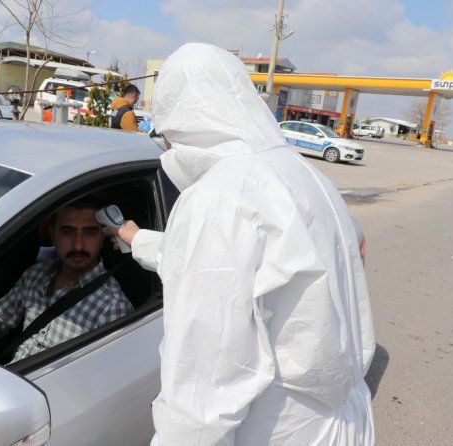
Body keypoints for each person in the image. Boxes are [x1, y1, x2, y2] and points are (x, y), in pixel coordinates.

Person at [107, 43, 376, 445]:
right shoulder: (305, 177)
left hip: (280, 429)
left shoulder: (220, 198)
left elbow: (203, 392)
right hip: (345, 423)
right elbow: (243, 268)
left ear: (181, 115)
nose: (165, 144)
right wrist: (136, 239)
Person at [0, 197, 134, 363]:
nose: (78, 245)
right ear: (52, 235)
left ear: (102, 238)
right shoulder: (36, 275)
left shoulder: (112, 307)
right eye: (67, 231)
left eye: (89, 232)